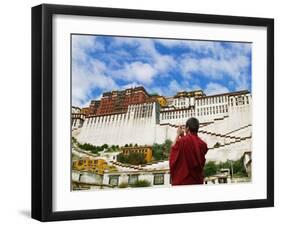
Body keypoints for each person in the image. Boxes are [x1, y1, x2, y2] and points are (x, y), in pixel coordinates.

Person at [169, 117, 208, 185]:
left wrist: (178, 134)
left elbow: (173, 148)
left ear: (187, 128)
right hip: (197, 182)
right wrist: (182, 136)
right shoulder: (203, 144)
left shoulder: (183, 141)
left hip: (183, 182)